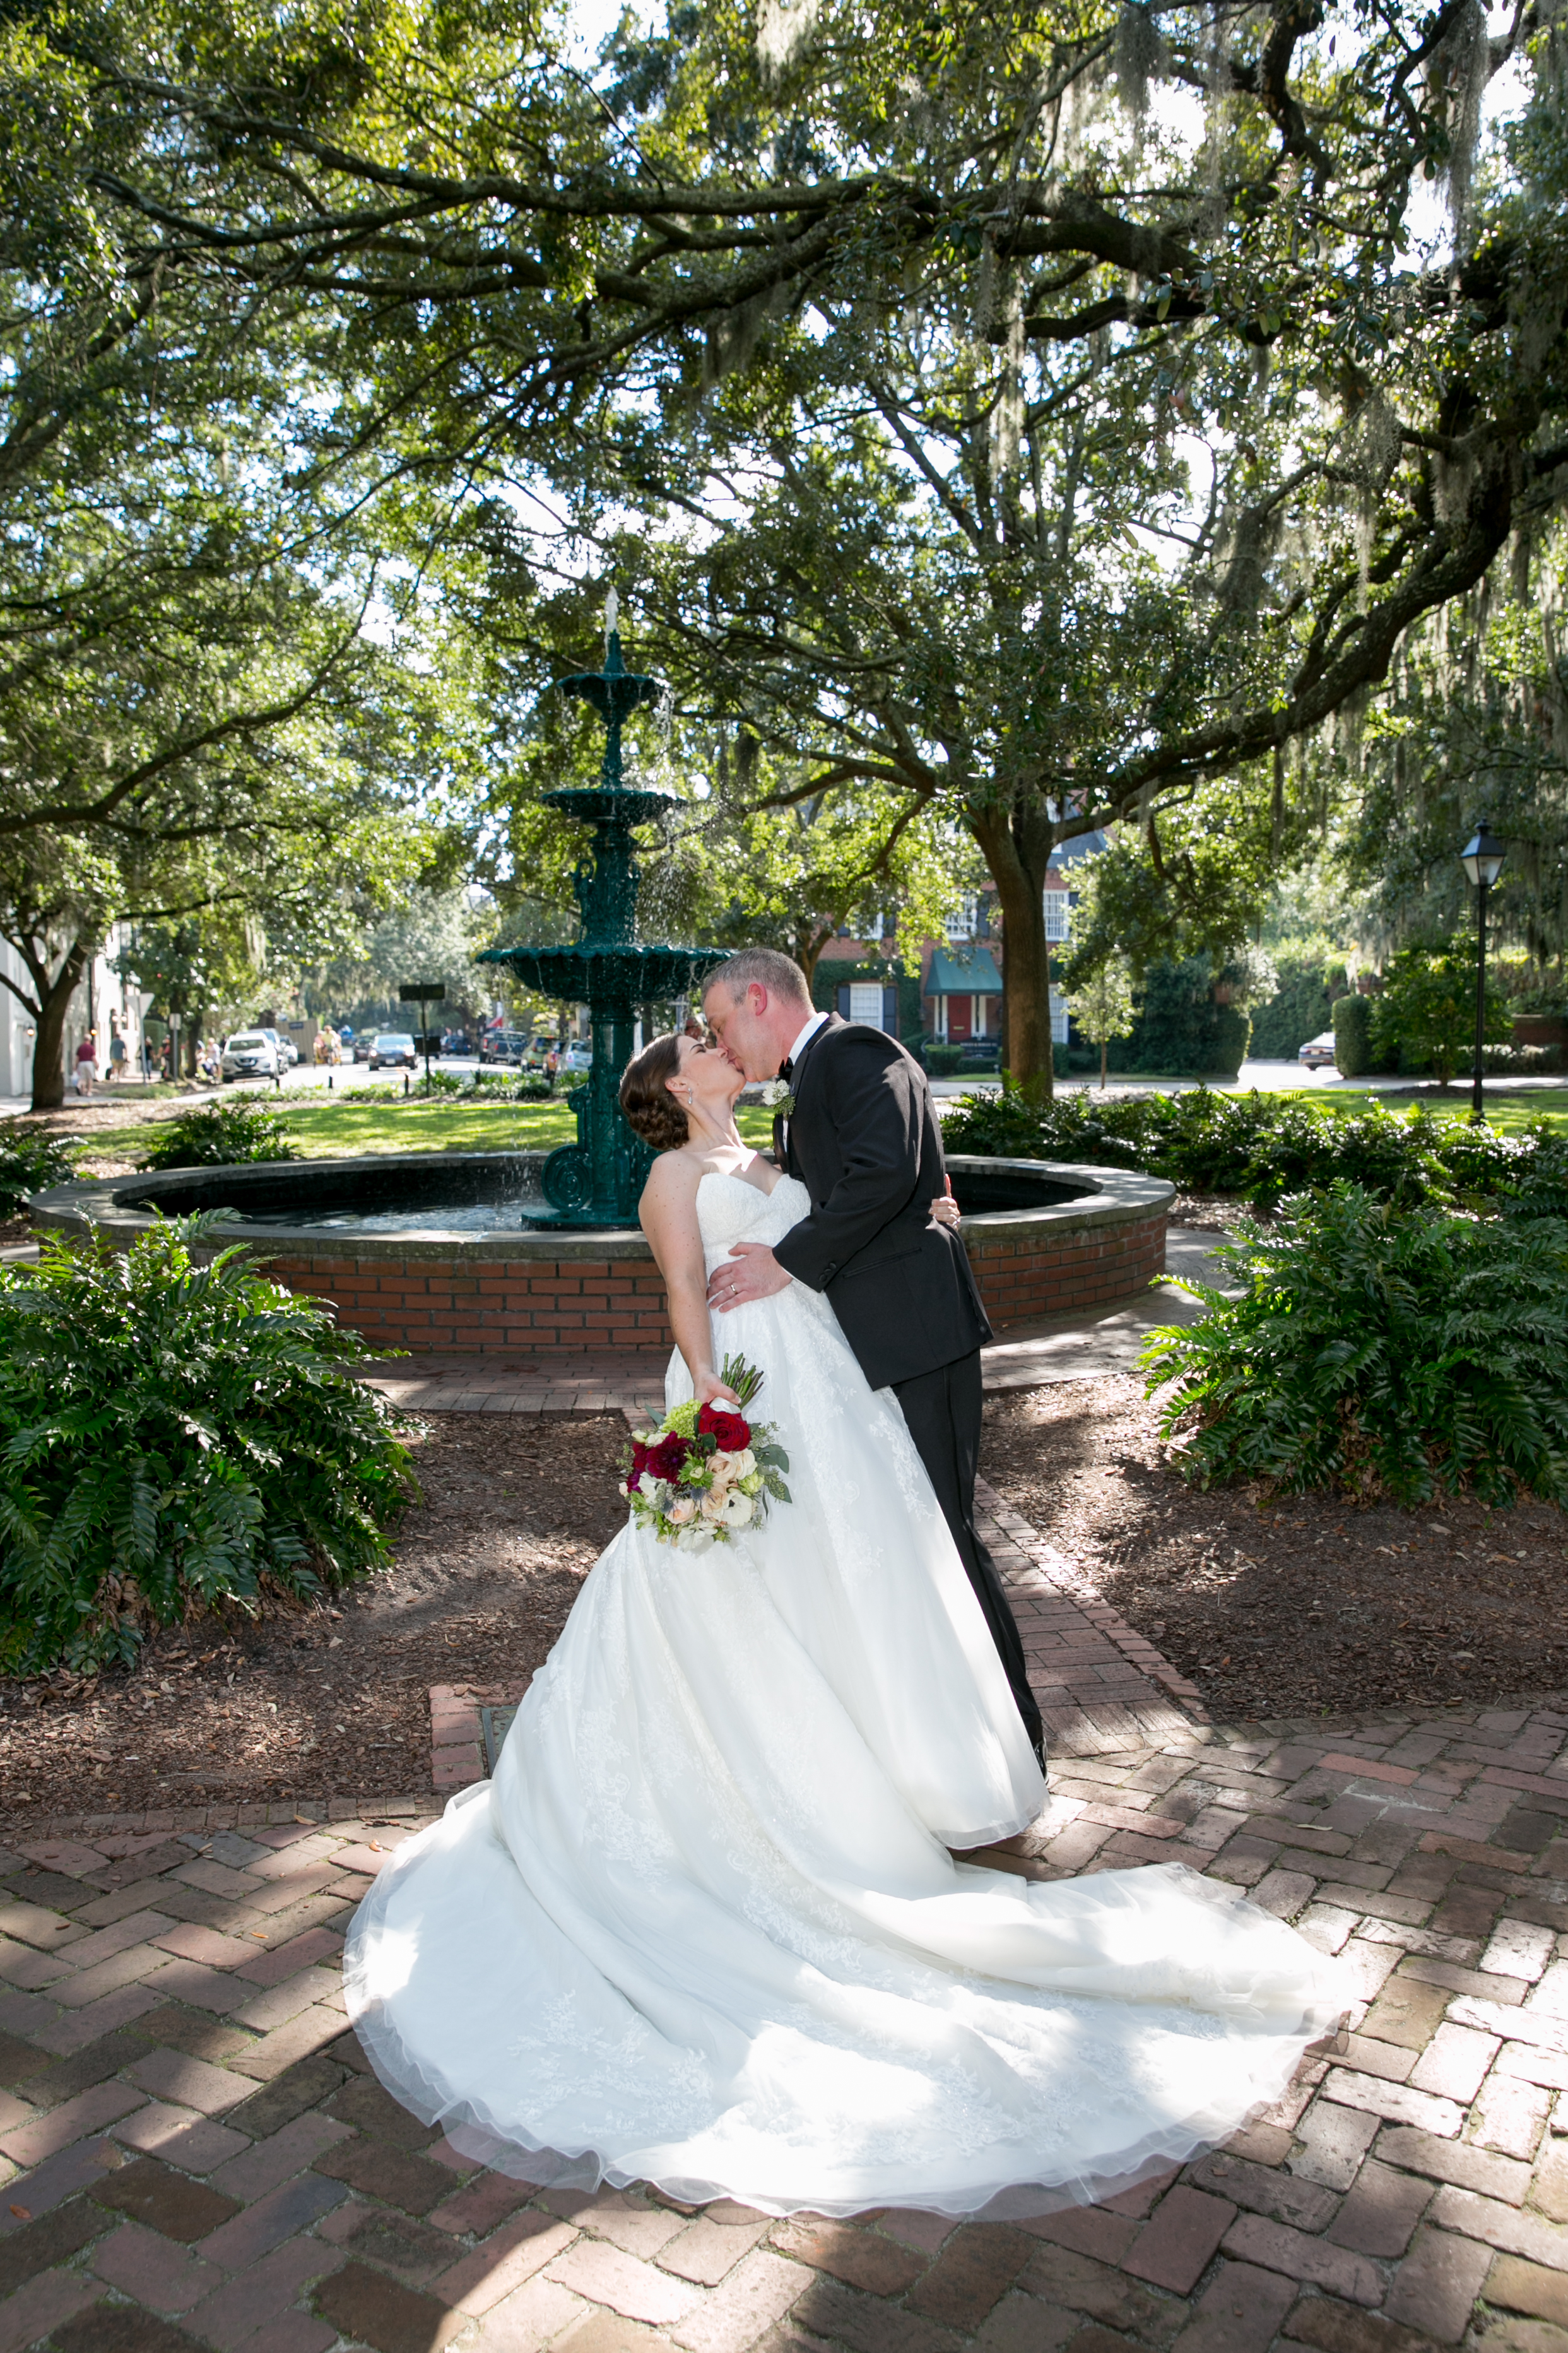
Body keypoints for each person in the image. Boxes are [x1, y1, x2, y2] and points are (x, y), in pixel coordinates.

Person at [343, 1022, 1341, 2222]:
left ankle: (870, 1764)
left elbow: (834, 1210)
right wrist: (710, 1411)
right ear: (666, 1085)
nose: (718, 1047)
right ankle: (746, 1791)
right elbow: (679, 1289)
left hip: (826, 1386)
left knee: (853, 1579)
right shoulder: (669, 1178)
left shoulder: (746, 1151)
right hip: (746, 1398)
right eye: (698, 1045)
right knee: (721, 1595)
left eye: (719, 1035)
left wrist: (889, 1194)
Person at [701, 947, 1045, 1770]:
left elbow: (885, 1169)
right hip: (882, 1341)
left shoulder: (852, 1053)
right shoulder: (816, 1074)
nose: (722, 1043)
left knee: (949, 1538)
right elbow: (889, 1171)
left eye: (720, 1024)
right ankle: (962, 1740)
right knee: (918, 1538)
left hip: (919, 1338)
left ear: (758, 999)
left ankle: (1018, 1746)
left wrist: (784, 1259)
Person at [74, 1032, 97, 1098]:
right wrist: (96, 1064)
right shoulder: (91, 1047)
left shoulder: (80, 1047)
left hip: (81, 1063)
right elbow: (93, 1057)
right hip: (89, 1063)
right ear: (90, 1040)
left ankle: (80, 1087)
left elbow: (77, 1058)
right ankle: (89, 1092)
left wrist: (75, 1065)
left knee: (82, 1077)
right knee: (90, 1078)